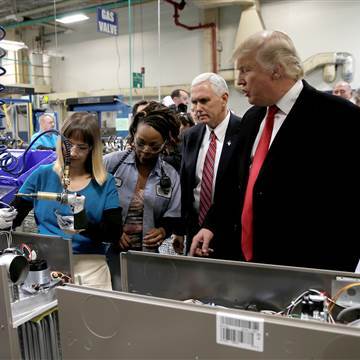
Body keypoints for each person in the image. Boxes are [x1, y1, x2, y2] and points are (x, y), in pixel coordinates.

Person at [191, 30, 360, 272]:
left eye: (246, 70)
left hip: (307, 271)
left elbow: (351, 206)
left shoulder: (339, 118)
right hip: (248, 266)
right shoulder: (252, 118)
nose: (239, 81)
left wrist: (330, 276)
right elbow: (233, 184)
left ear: (276, 70)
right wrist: (211, 225)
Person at [0, 112, 123, 289]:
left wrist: (83, 224)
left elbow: (114, 233)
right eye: (68, 145)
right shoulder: (42, 175)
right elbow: (15, 216)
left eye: (81, 147)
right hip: (47, 266)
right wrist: (4, 219)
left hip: (91, 269)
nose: (73, 153)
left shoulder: (105, 182)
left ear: (92, 149)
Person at [103, 102, 182, 289]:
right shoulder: (111, 164)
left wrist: (163, 231)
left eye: (154, 146)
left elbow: (174, 214)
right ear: (133, 136)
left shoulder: (169, 176)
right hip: (109, 254)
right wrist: (112, 231)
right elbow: (90, 204)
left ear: (164, 143)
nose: (146, 150)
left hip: (147, 258)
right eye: (141, 143)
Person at [180, 72, 242, 258]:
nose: (197, 108)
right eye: (194, 102)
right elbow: (187, 186)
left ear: (224, 99)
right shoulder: (191, 136)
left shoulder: (245, 132)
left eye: (204, 101)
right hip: (194, 233)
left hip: (231, 233)